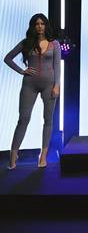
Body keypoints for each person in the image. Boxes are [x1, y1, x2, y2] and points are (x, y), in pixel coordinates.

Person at [4, 14, 61, 169]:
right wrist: (21, 71)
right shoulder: (26, 43)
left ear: (46, 25)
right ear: (33, 26)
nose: (40, 26)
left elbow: (57, 66)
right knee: (23, 119)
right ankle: (13, 155)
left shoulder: (54, 44)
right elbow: (7, 58)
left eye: (42, 23)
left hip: (49, 85)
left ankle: (43, 156)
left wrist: (57, 85)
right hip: (29, 84)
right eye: (37, 24)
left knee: (48, 120)